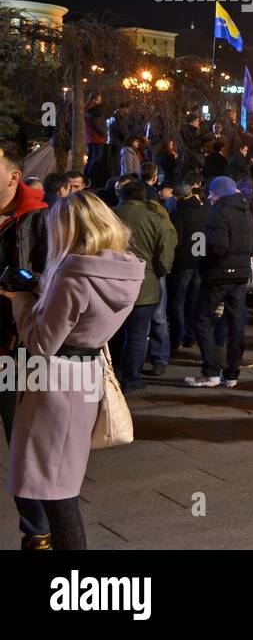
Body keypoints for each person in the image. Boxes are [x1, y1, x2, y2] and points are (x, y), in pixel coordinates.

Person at [2, 191, 144, 550]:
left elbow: (41, 343)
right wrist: (38, 286)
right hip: (85, 374)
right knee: (62, 483)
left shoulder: (73, 273)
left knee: (56, 493)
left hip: (55, 384)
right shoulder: (123, 270)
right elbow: (86, 314)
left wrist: (19, 300)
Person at [0, 140, 52, 547]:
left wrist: (20, 288)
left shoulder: (36, 220)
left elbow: (50, 282)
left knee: (22, 444)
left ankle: (37, 531)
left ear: (14, 176)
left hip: (14, 350)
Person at [185, 176, 253, 388]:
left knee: (202, 320)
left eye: (212, 193)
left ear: (219, 194)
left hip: (219, 275)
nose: (209, 197)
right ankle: (232, 373)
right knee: (236, 325)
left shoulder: (219, 213)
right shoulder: (247, 213)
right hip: (240, 275)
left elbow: (218, 246)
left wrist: (205, 263)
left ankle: (211, 371)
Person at [110, 176, 176, 389]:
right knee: (138, 333)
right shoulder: (155, 219)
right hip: (144, 283)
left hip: (112, 280)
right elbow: (165, 255)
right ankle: (131, 377)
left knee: (113, 332)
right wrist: (158, 272)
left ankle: (112, 372)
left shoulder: (110, 216)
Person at [165, 180, 208, 361]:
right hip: (200, 261)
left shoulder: (178, 213)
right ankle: (191, 335)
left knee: (178, 301)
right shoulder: (205, 211)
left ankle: (177, 337)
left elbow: (177, 240)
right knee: (194, 300)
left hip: (183, 263)